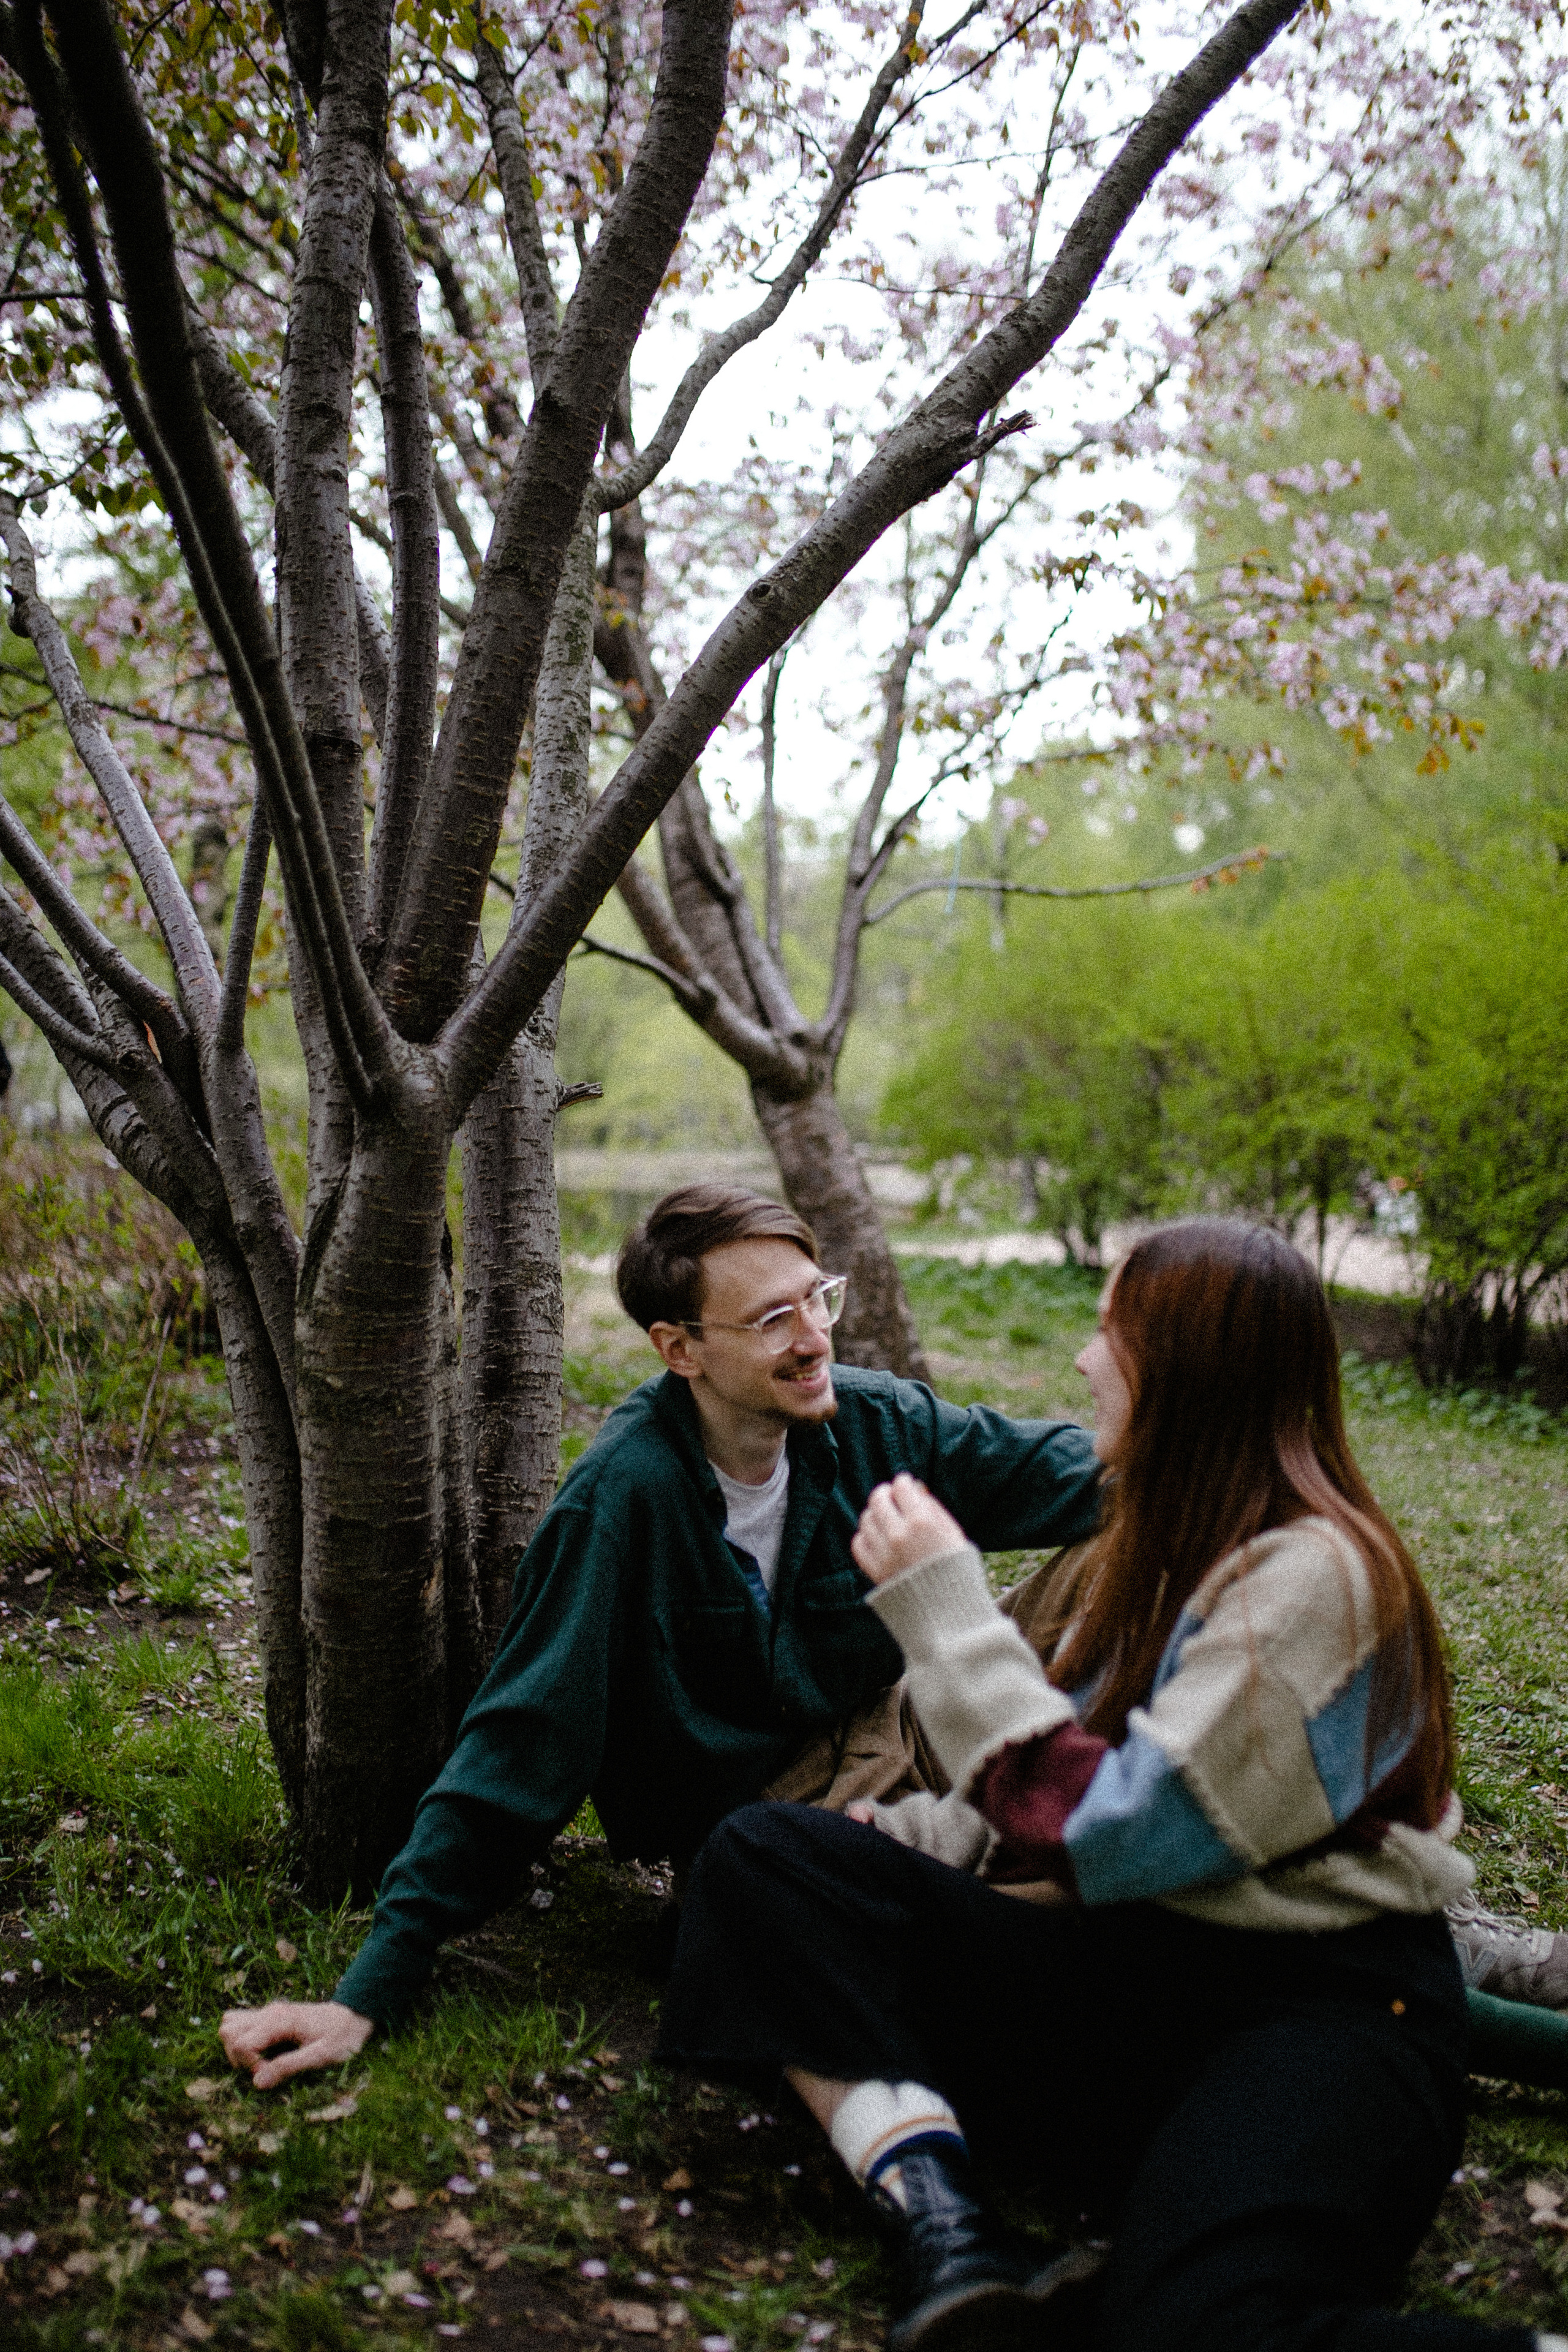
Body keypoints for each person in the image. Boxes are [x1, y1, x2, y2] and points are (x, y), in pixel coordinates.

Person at [657, 1219, 1563, 2352]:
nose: (1085, 1361)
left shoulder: (1318, 1573)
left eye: (1108, 1332)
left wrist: (946, 1607)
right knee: (761, 1859)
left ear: (1182, 1367)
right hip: (1143, 1968)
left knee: (1197, 2323)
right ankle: (948, 2227)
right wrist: (900, 1843)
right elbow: (1040, 1799)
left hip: (1327, 2007)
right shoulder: (1160, 1546)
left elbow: (1120, 1830)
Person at [220, 1183, 1103, 2089]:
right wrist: (370, 1989)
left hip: (910, 1723)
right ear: (679, 1349)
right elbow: (519, 1747)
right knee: (906, 1939)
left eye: (816, 1298)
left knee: (1123, 1544)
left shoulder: (879, 1422)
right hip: (778, 1825)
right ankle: (1040, 1918)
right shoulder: (621, 1502)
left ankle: (1132, 1818)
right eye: (771, 1320)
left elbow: (1082, 1478)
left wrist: (1240, 1470)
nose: (812, 1338)